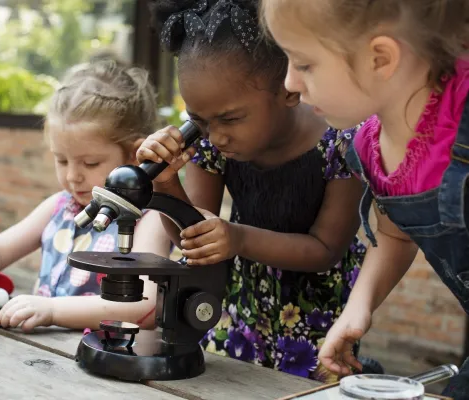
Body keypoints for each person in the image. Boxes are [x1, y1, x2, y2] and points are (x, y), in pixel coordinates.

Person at [135, 0, 366, 383]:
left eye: (230, 118)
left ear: (289, 89)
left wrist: (237, 237)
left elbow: (326, 250)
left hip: (319, 320)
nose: (216, 134)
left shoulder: (342, 142)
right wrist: (165, 184)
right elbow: (193, 241)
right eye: (198, 119)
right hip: (236, 308)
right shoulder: (210, 140)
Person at [261, 0, 469, 396]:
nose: (289, 83)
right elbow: (396, 234)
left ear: (380, 58)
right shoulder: (368, 147)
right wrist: (359, 307)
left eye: (304, 64)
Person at [0, 60, 171, 331]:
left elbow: (144, 306)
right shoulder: (59, 206)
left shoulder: (149, 219)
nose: (73, 176)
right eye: (62, 160)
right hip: (45, 356)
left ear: (135, 157)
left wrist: (52, 310)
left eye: (90, 163)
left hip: (109, 360)